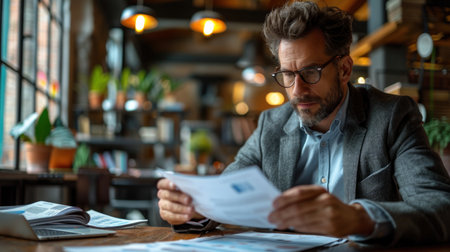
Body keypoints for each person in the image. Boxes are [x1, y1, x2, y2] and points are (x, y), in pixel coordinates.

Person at [157, 0, 450, 245]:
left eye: (311, 71)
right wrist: (194, 209)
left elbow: (441, 208)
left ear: (345, 68)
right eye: (287, 74)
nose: (296, 90)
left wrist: (359, 218)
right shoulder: (271, 124)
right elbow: (226, 193)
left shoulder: (392, 116)